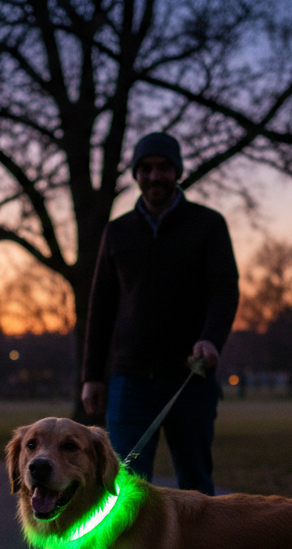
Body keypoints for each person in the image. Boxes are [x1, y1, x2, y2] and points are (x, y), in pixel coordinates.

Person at [81, 132, 240, 495]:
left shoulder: (208, 225)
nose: (155, 176)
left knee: (195, 484)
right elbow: (101, 306)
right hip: (129, 381)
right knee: (125, 487)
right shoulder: (117, 232)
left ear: (178, 172)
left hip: (190, 378)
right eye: (147, 168)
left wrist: (212, 339)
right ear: (137, 174)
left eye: (164, 168)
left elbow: (224, 291)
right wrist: (93, 375)